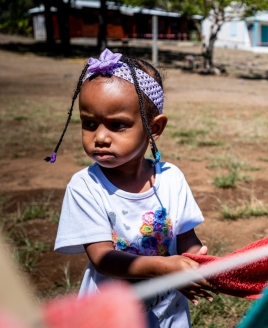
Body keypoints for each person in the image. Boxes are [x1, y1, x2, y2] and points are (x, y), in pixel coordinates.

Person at [50, 49, 215, 327]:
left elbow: (187, 238)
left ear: (154, 128)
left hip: (168, 315)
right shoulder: (85, 187)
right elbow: (103, 258)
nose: (100, 136)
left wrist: (198, 262)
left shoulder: (172, 179)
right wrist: (166, 268)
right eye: (89, 123)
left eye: (117, 125)